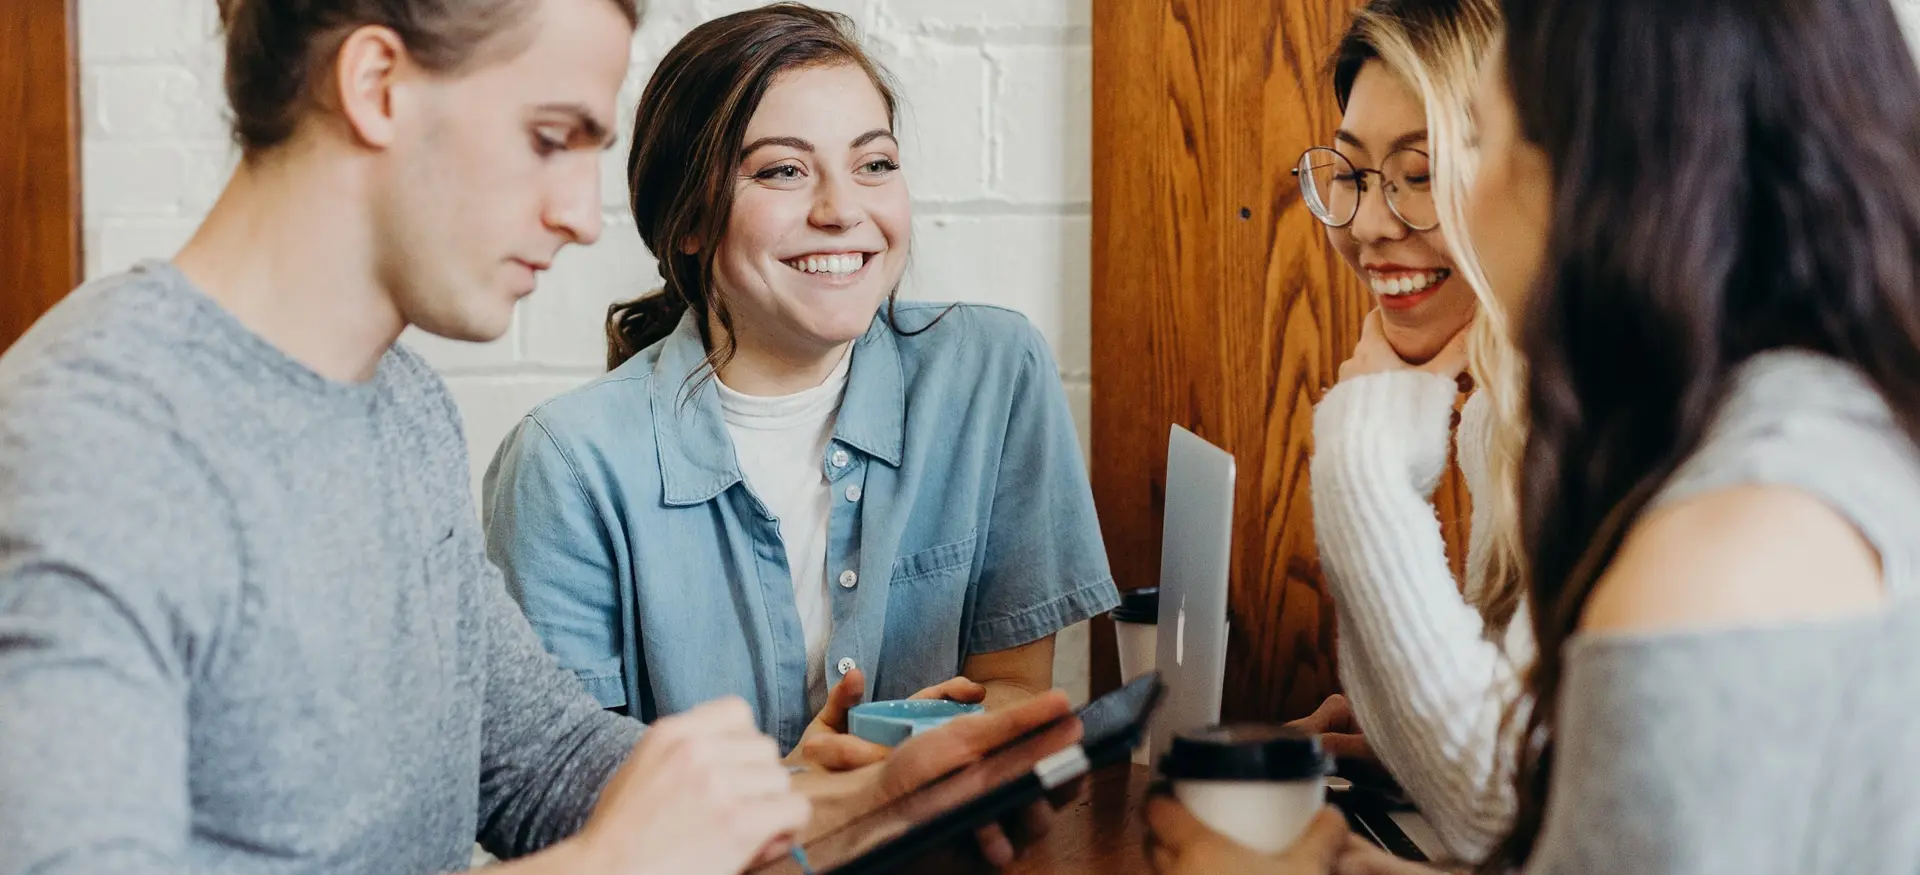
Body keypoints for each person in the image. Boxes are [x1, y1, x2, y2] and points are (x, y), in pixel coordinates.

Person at [0, 0, 1077, 873]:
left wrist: (849, 808)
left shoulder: (398, 408)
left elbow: (541, 761)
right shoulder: (91, 444)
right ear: (376, 86)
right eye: (549, 138)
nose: (580, 213)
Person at [1154, 0, 1920, 872]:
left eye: (1476, 138)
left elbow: (1505, 802)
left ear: (1606, 175)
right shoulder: (1802, 435)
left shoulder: (1722, 543)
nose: (1383, 219)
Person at [482, 2, 1119, 763]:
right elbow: (567, 793)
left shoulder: (993, 372)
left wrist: (936, 749)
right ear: (687, 220)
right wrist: (804, 797)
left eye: (874, 164)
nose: (842, 210)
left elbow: (1015, 685)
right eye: (783, 170)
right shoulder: (565, 464)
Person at [1294, 0, 1528, 862]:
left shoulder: (1608, 415)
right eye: (1351, 174)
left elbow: (1504, 810)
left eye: (1420, 174)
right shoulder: (1509, 413)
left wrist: (1362, 464)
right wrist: (1405, 734)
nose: (1367, 224)